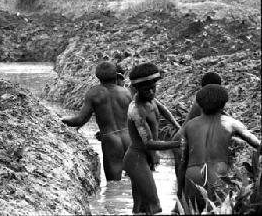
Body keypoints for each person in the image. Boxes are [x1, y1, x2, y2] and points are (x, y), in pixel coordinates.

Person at [179, 85, 260, 213]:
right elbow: (256, 143)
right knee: (218, 210)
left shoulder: (189, 125)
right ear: (223, 105)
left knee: (193, 210)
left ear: (200, 105)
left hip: (192, 174)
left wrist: (179, 190)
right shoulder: (231, 123)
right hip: (218, 174)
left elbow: (184, 160)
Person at [123, 62, 181, 215]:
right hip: (136, 160)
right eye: (145, 89)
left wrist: (178, 127)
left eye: (153, 88)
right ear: (135, 89)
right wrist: (176, 144)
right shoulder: (135, 110)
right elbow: (148, 143)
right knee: (155, 205)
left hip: (143, 159)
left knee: (140, 208)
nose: (150, 92)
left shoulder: (152, 100)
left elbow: (164, 110)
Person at [61, 61, 132, 180]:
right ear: (116, 75)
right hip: (129, 138)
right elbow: (135, 119)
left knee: (113, 184)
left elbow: (80, 120)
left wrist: (62, 120)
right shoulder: (126, 92)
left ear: (97, 77)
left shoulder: (94, 93)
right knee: (132, 181)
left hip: (111, 140)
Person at [172, 72, 223, 197]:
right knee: (184, 176)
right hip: (182, 140)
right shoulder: (203, 102)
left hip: (183, 137)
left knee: (186, 175)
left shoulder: (206, 100)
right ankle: (180, 200)